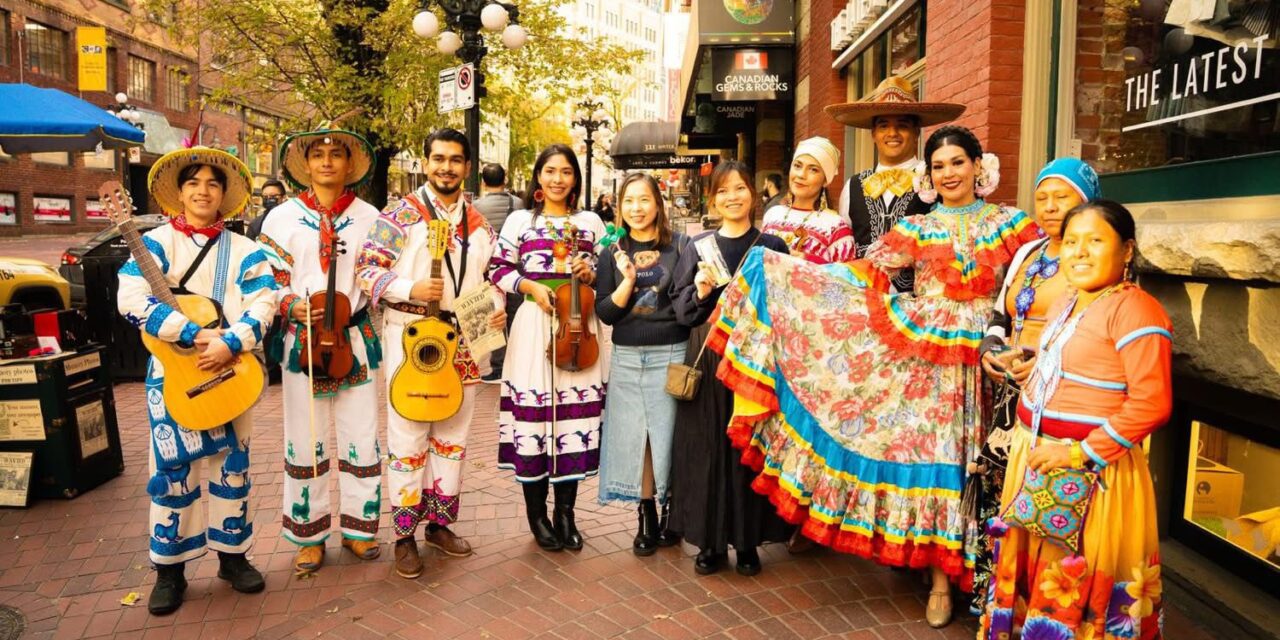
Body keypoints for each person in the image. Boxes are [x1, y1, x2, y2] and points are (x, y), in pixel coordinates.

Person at [710, 126, 1042, 626]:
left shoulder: (1011, 224)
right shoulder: (917, 226)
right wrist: (786, 273)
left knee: (985, 461)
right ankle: (939, 581)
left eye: (957, 162)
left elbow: (1037, 283)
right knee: (941, 457)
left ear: (979, 166)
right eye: (939, 166)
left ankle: (992, 576)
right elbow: (863, 272)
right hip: (929, 354)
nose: (949, 173)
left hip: (991, 353)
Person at [979, 200, 1172, 640]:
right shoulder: (1071, 300)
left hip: (1090, 475)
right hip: (1039, 462)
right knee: (1038, 580)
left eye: (1095, 240)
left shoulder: (1137, 311)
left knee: (1075, 585)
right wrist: (1036, 361)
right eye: (1071, 242)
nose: (1079, 252)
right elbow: (1085, 362)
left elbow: (1152, 402)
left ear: (1126, 250)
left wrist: (1079, 453)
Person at [118, 147, 277, 615]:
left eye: (212, 183)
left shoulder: (246, 250)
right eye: (193, 183)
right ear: (180, 192)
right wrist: (189, 332)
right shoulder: (154, 244)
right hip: (174, 372)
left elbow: (264, 301)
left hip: (231, 370)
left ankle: (233, 556)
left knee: (233, 467)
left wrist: (232, 341)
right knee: (172, 472)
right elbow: (131, 298)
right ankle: (170, 570)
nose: (203, 191)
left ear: (223, 194)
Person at [356, 128, 505, 578]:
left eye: (456, 160)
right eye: (438, 158)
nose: (446, 167)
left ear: (468, 167)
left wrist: (497, 306)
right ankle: (404, 534)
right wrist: (410, 287)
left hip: (467, 334)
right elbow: (366, 269)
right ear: (425, 163)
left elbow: (494, 277)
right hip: (411, 335)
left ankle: (439, 524)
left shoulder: (480, 225)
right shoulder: (398, 216)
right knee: (408, 435)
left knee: (453, 436)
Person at [969, 158, 1100, 613]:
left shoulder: (1093, 259)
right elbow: (1000, 313)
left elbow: (1097, 328)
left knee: (1045, 497)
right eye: (1041, 197)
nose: (1048, 206)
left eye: (1061, 197)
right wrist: (991, 348)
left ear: (1086, 201)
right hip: (1012, 394)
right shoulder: (1028, 252)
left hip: (1061, 399)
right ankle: (997, 598)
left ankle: (1044, 606)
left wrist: (1044, 361)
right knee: (1001, 492)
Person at [257, 127, 383, 574]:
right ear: (305, 164)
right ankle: (308, 535)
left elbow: (381, 276)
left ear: (350, 164)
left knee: (361, 434)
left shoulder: (371, 217)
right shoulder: (281, 218)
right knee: (304, 436)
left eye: (336, 154)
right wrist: (289, 303)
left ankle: (360, 529)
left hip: (354, 337)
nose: (327, 161)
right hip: (302, 341)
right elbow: (266, 277)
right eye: (317, 154)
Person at [669, 161, 792, 577]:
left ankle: (747, 541)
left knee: (749, 448)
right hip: (710, 354)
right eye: (723, 191)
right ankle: (710, 543)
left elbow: (788, 306)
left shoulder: (772, 246)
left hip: (756, 359)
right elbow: (684, 312)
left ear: (752, 195)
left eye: (740, 188)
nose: (732, 197)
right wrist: (701, 291)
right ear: (713, 200)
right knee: (706, 448)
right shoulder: (698, 247)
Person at [488, 144, 606, 552]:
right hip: (534, 325)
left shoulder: (591, 222)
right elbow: (498, 268)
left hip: (579, 324)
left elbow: (609, 269)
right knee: (534, 420)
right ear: (538, 176)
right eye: (550, 171)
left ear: (576, 178)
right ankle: (537, 516)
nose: (558, 179)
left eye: (566, 172)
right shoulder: (520, 220)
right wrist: (529, 286)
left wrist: (591, 272)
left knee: (574, 420)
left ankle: (566, 514)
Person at [593, 173, 689, 556]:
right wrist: (627, 282)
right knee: (640, 438)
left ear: (658, 204)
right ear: (620, 207)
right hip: (628, 356)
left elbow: (687, 305)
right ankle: (646, 512)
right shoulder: (611, 252)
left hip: (672, 352)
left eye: (644, 199)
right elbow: (606, 312)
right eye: (629, 201)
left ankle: (672, 511)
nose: (637, 208)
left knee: (670, 434)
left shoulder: (680, 246)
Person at [828, 75, 965, 291]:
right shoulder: (853, 186)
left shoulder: (934, 179)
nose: (892, 133)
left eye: (902, 125)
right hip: (864, 300)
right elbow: (846, 248)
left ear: (916, 132)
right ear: (873, 133)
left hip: (921, 302)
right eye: (884, 126)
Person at [761, 136, 854, 265]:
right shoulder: (772, 214)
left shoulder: (836, 227)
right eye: (797, 166)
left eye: (813, 169)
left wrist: (807, 260)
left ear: (826, 180)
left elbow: (846, 274)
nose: (801, 175)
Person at [472, 162, 524, 382]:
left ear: (483, 182)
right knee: (515, 315)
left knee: (494, 315)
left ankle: (499, 366)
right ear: (505, 179)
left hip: (489, 267)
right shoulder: (518, 203)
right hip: (516, 267)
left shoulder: (475, 206)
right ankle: (518, 364)